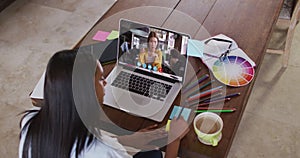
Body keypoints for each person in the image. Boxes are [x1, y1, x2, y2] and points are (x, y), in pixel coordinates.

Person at [19, 49, 189, 158]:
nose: (106, 82)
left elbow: (75, 139)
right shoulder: (104, 153)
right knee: (154, 155)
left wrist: (128, 140)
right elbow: (101, 149)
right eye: (101, 79)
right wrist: (174, 139)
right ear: (88, 95)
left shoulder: (30, 123)